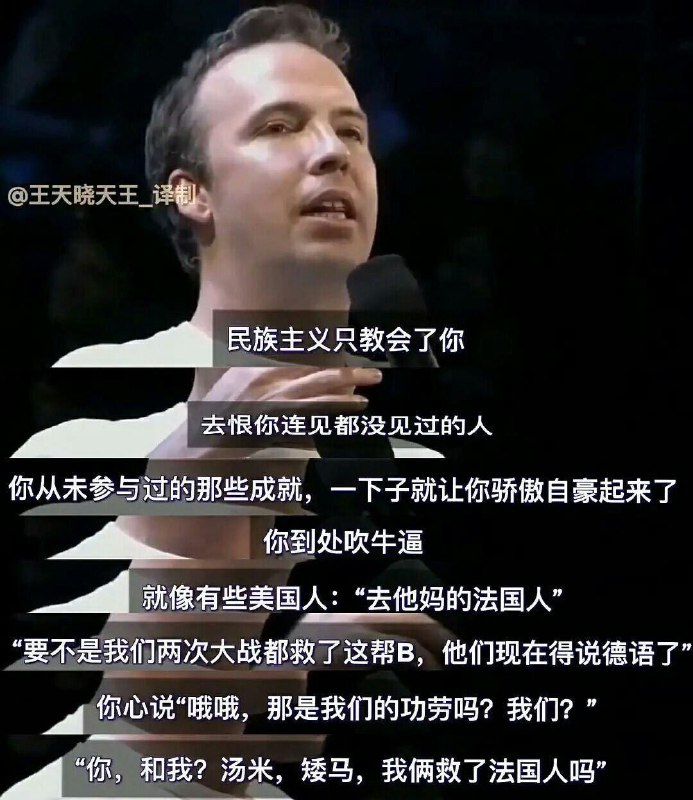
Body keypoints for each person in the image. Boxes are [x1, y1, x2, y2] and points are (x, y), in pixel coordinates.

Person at [7, 6, 449, 799]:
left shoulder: (415, 455)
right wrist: (275, 674)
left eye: (352, 132)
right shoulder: (82, 429)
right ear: (192, 192)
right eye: (279, 127)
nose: (331, 153)